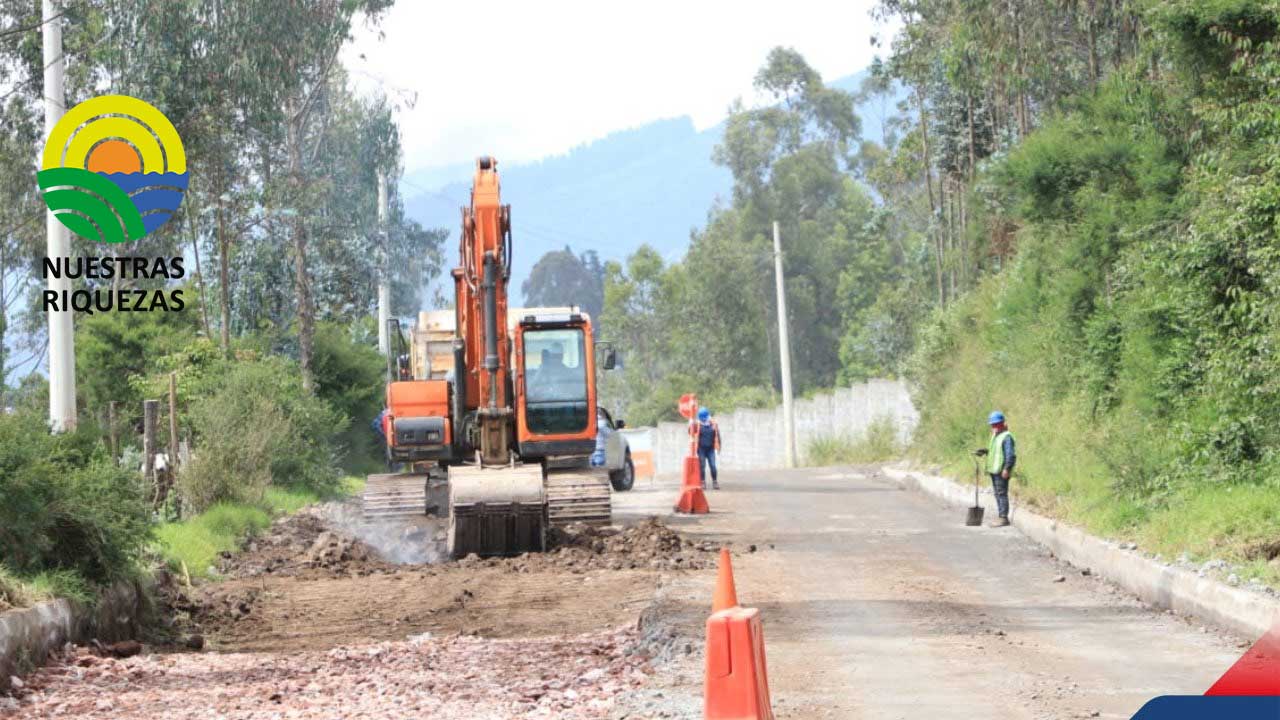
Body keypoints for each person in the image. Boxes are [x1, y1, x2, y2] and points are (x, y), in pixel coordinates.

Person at [986, 410, 1016, 527]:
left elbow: (1010, 455)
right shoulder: (996, 436)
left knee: (1001, 493)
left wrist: (1007, 469)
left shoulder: (1007, 437)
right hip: (994, 470)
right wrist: (985, 451)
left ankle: (1003, 518)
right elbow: (996, 452)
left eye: (997, 424)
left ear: (1002, 424)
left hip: (1001, 471)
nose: (995, 427)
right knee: (997, 493)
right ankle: (1000, 515)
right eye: (993, 425)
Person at [695, 407, 721, 490]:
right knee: (702, 466)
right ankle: (702, 482)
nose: (703, 420)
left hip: (710, 449)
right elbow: (690, 432)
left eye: (704, 418)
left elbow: (718, 436)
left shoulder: (713, 424)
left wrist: (719, 446)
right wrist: (691, 424)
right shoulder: (697, 424)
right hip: (701, 449)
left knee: (713, 466)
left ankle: (715, 482)